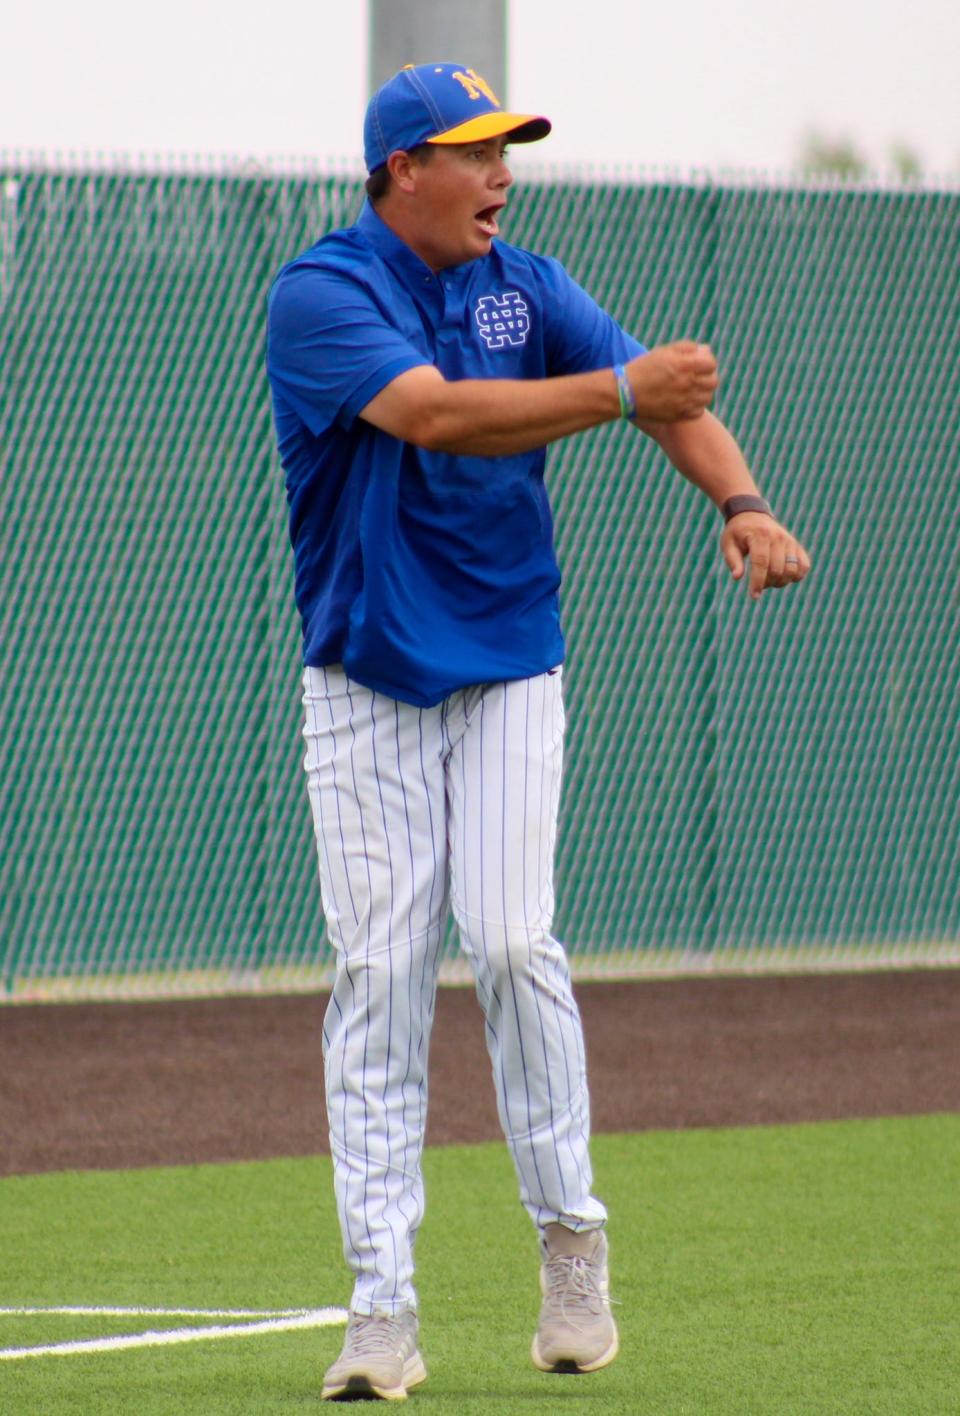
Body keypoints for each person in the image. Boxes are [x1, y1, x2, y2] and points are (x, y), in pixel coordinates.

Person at [266, 61, 811, 1402]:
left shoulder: (528, 286)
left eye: (508, 148)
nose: (502, 171)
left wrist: (737, 499)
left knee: (511, 940)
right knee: (382, 976)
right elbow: (438, 415)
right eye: (474, 151)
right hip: (367, 676)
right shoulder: (323, 292)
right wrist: (624, 393)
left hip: (510, 659)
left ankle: (572, 1243)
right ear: (402, 169)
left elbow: (662, 393)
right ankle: (382, 1311)